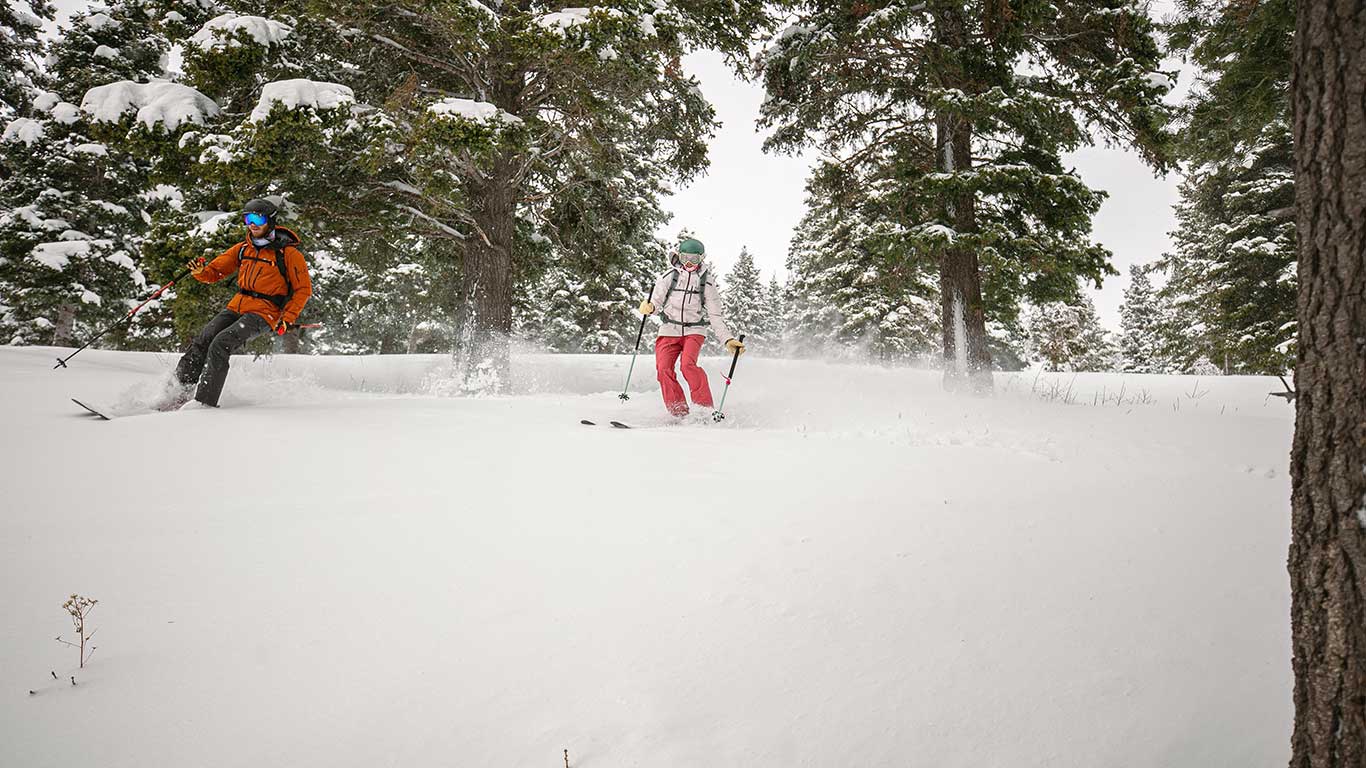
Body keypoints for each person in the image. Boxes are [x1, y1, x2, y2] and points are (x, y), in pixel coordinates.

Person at [171, 198, 312, 408]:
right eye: (247, 218)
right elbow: (215, 271)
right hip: (238, 305)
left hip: (265, 312)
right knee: (204, 339)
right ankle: (178, 393)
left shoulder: (288, 254)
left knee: (220, 343)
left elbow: (303, 289)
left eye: (257, 218)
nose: (252, 224)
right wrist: (201, 272)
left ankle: (204, 404)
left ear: (271, 221)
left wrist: (287, 317)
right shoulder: (242, 249)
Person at [637, 237, 745, 417]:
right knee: (663, 369)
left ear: (701, 259)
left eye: (694, 259)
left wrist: (728, 339)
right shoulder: (668, 277)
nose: (689, 263)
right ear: (679, 256)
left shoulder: (707, 283)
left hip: (694, 330)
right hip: (669, 329)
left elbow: (715, 315)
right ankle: (678, 411)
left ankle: (704, 409)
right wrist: (650, 307)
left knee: (688, 365)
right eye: (685, 257)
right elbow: (655, 303)